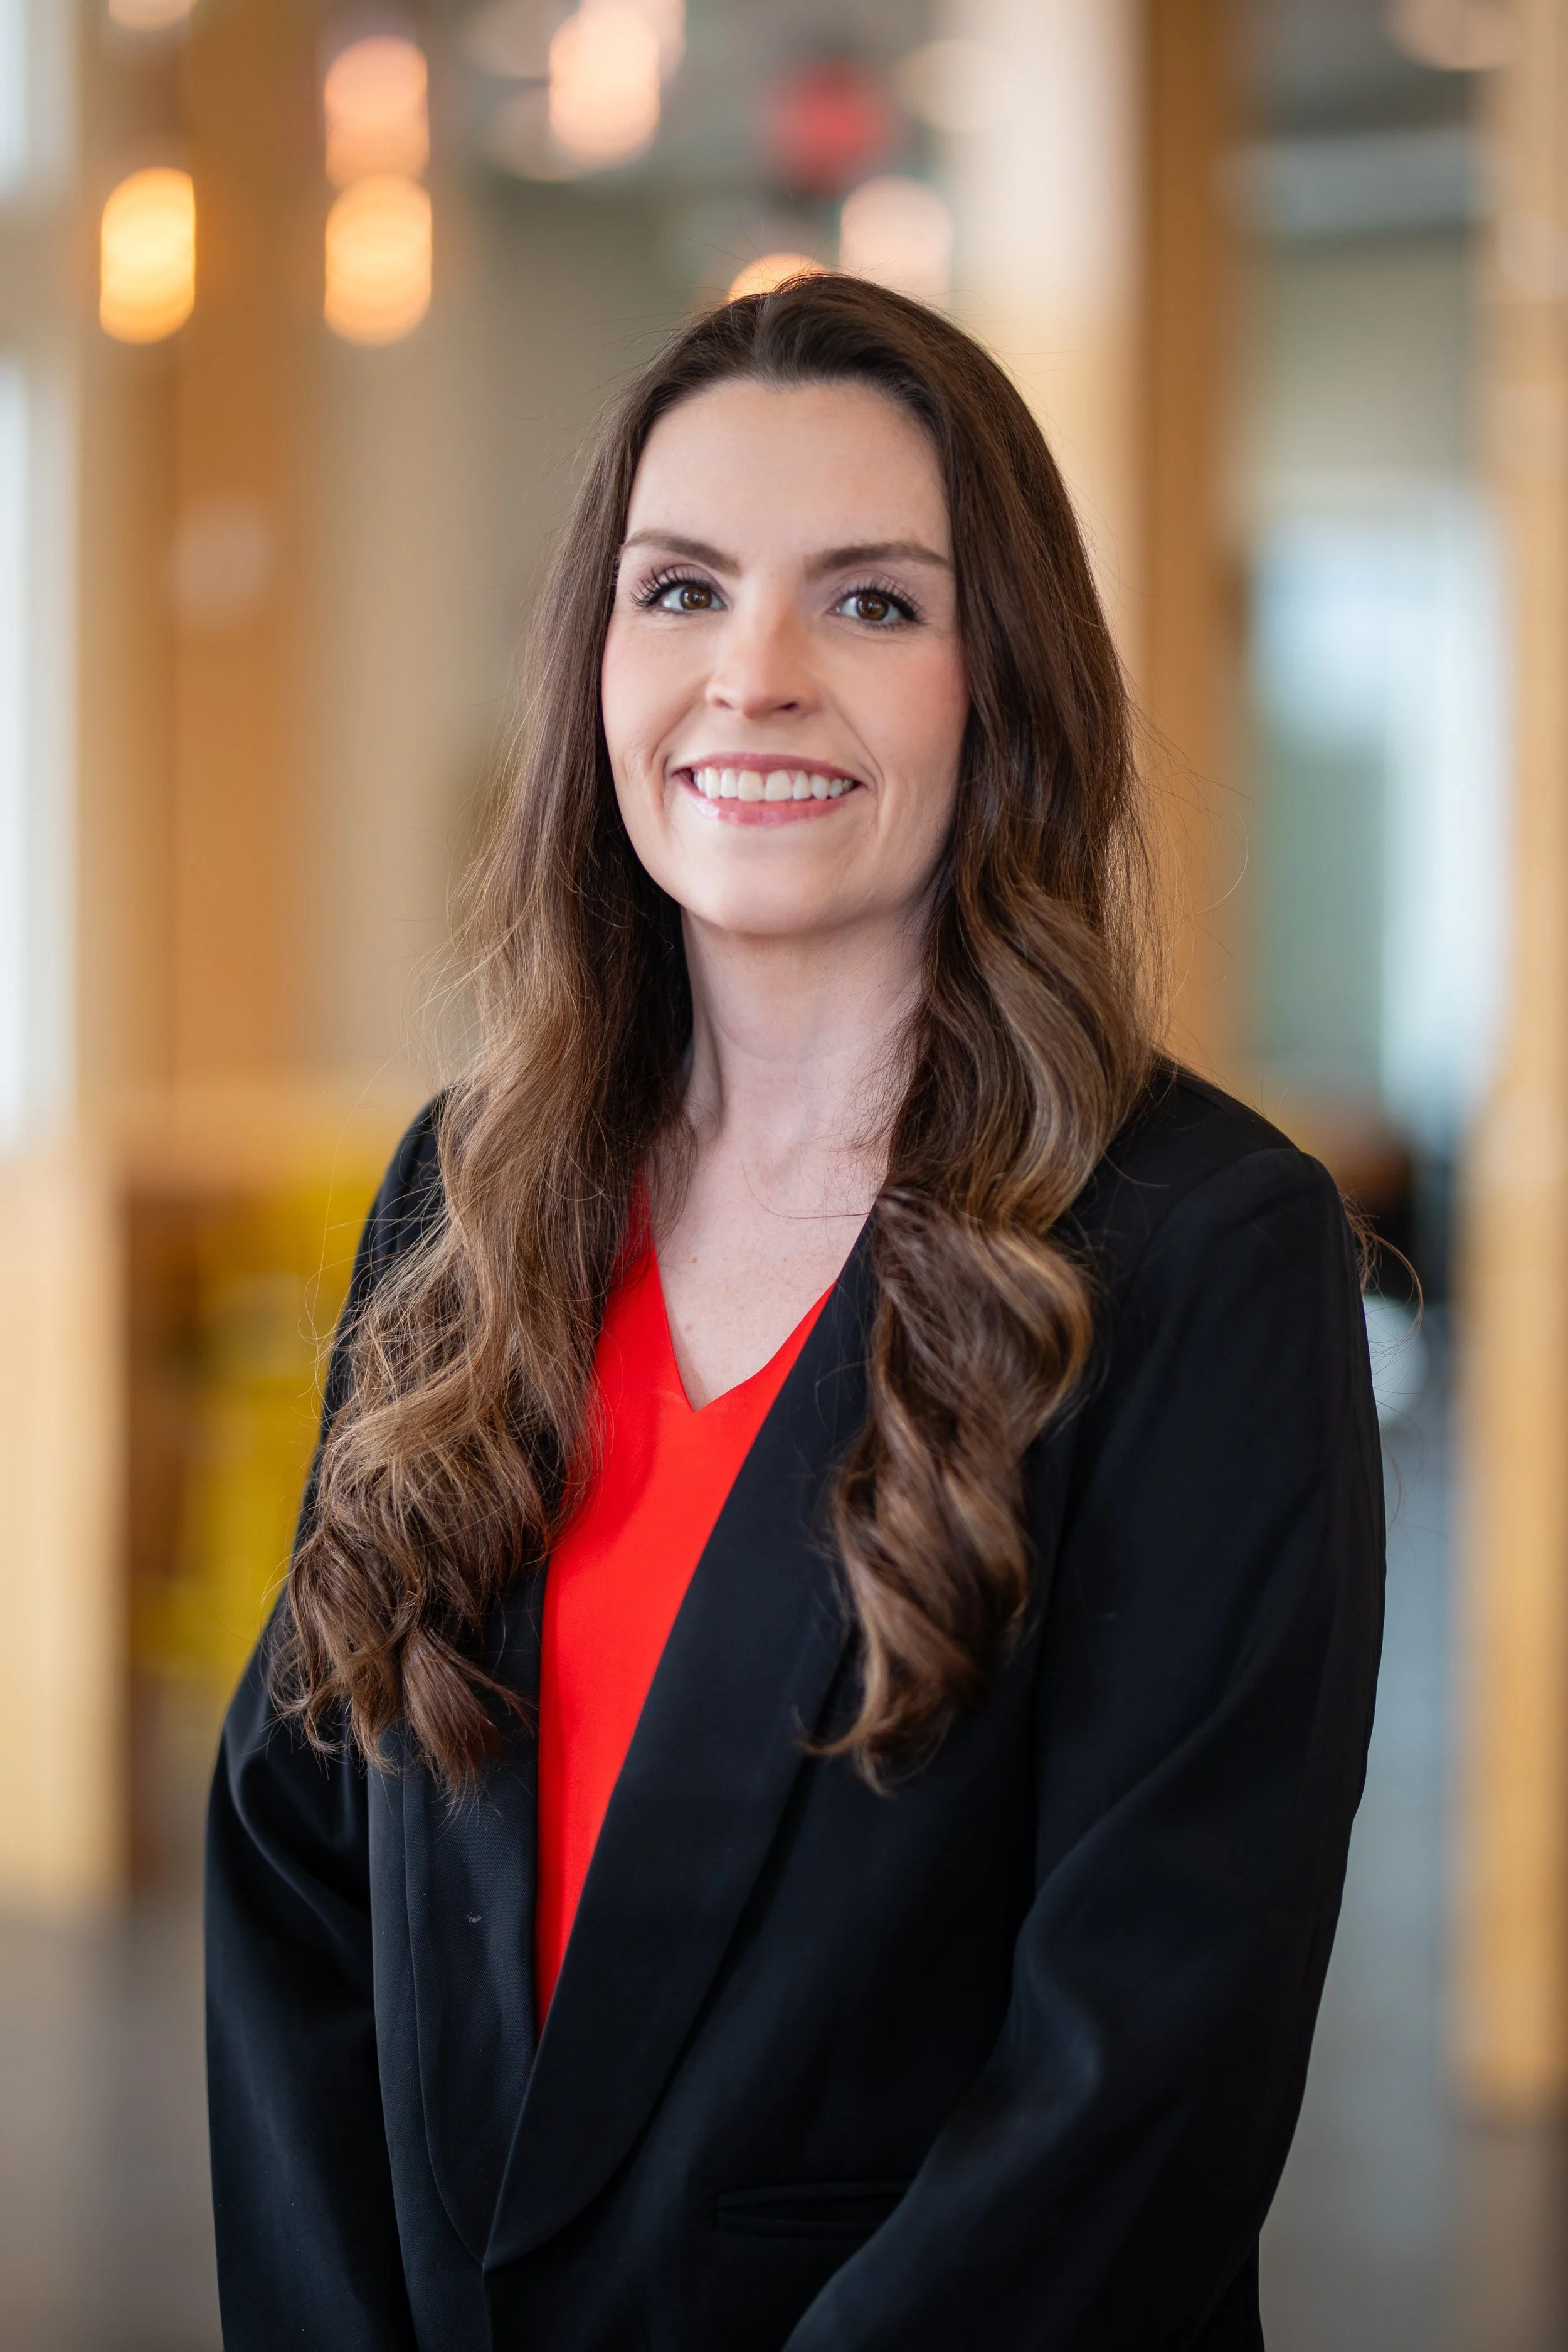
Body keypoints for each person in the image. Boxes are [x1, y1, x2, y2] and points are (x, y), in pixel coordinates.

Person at [205, 273, 1384, 2352]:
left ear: (1000, 685)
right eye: (678, 591)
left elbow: (1144, 2056)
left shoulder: (1202, 1249)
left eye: (869, 603)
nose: (748, 675)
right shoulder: (460, 1198)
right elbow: (299, 1873)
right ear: (594, 662)